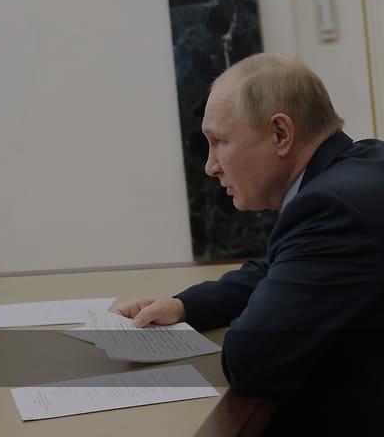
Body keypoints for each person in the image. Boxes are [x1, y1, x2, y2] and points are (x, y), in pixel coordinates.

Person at [110, 53, 384, 433]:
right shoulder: (361, 164)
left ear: (280, 134)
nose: (210, 166)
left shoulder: (330, 207)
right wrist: (186, 306)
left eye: (219, 142)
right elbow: (281, 267)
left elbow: (252, 361)